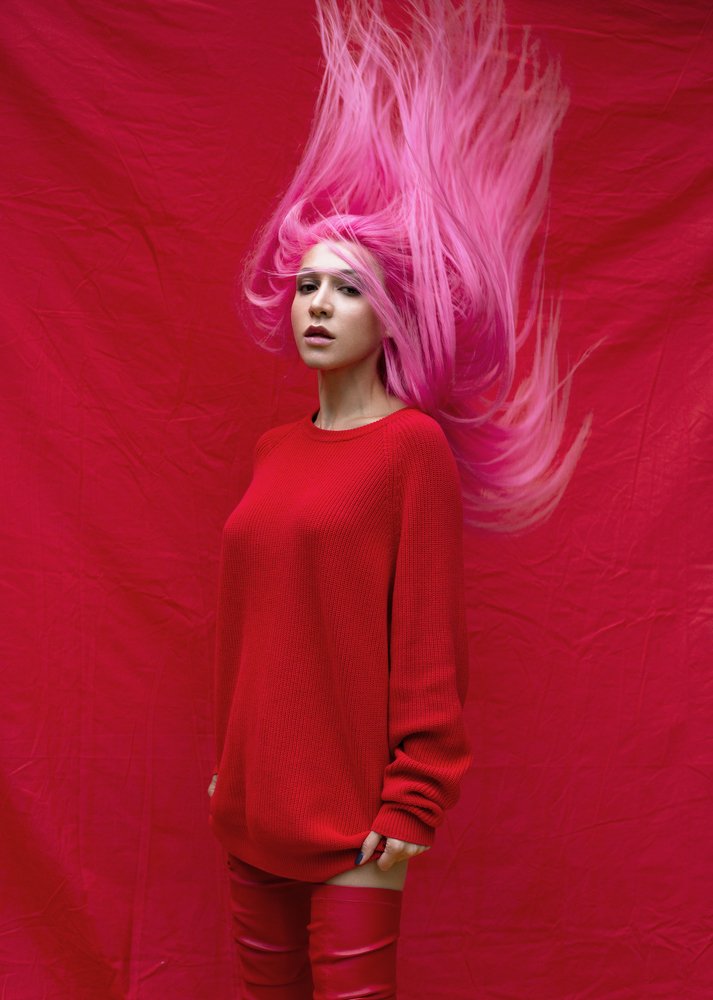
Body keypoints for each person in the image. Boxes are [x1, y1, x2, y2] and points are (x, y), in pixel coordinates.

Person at [208, 0, 594, 996]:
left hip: (354, 819)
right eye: (307, 285)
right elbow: (254, 626)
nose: (318, 304)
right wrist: (228, 767)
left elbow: (427, 641)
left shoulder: (409, 450)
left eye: (346, 288)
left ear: (389, 317)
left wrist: (412, 798)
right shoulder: (272, 451)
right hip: (249, 807)